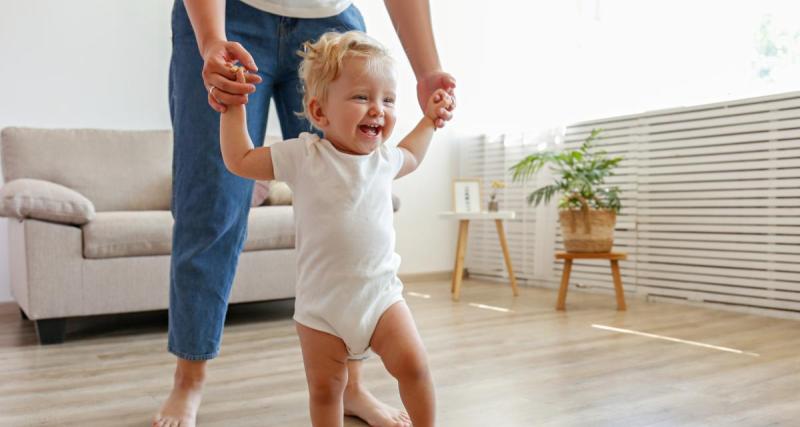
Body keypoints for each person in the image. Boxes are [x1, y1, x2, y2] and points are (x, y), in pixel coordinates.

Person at [155, 1, 455, 426]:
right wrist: (223, 78)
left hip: (332, 21)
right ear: (316, 112)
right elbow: (239, 159)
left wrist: (428, 78)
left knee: (405, 364)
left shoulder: (385, 158)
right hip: (230, 17)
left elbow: (411, 152)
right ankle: (189, 379)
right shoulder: (302, 156)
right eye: (368, 99)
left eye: (388, 100)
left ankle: (354, 388)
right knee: (209, 208)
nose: (378, 109)